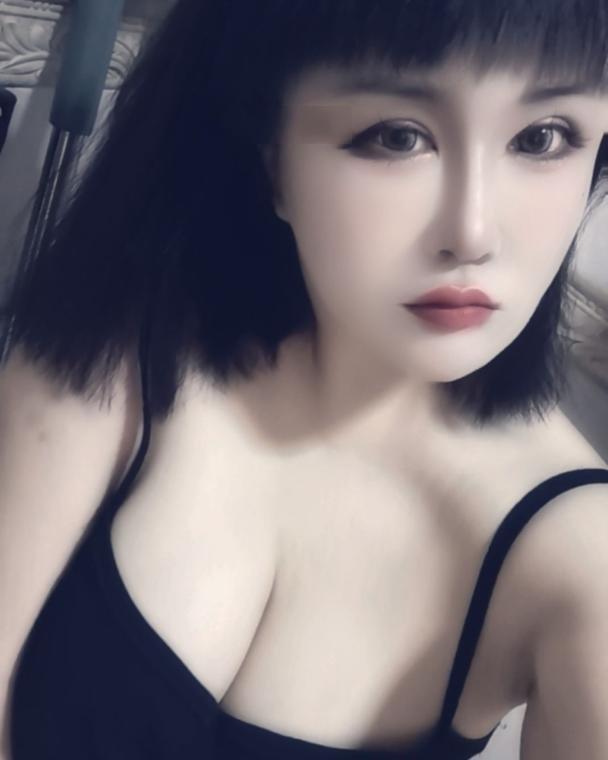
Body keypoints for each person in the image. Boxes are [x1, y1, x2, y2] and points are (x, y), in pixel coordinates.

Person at [2, 1, 608, 758]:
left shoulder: (581, 557)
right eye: (397, 135)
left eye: (542, 137)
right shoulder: (120, 351)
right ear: (272, 160)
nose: (472, 232)